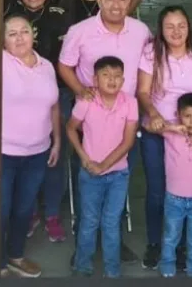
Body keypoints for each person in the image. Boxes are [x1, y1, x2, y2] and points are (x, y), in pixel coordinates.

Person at [0, 2, 60, 277]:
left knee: (24, 208)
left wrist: (57, 140)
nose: (20, 37)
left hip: (37, 151)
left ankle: (15, 255)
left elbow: (54, 105)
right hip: (3, 151)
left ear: (33, 34)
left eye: (24, 31)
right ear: (3, 39)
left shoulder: (46, 66)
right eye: (12, 33)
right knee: (0, 208)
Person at [137, 6, 192, 269]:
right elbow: (144, 92)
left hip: (191, 130)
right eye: (169, 26)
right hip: (159, 130)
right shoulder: (152, 53)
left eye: (181, 25)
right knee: (158, 191)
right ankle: (156, 244)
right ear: (161, 29)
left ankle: (182, 245)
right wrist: (153, 113)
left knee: (187, 189)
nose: (176, 31)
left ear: (189, 26)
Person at [67, 56, 137, 278]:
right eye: (106, 75)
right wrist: (86, 160)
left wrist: (104, 165)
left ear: (123, 80)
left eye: (117, 76)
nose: (112, 80)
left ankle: (112, 271)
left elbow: (128, 142)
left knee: (111, 222)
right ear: (95, 79)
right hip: (90, 174)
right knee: (89, 221)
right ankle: (82, 268)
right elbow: (70, 129)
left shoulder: (130, 102)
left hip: (118, 174)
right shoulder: (86, 101)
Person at [157, 93, 192, 277]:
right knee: (170, 236)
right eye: (187, 116)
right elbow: (149, 125)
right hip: (174, 197)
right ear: (178, 115)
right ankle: (168, 268)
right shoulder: (171, 135)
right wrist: (174, 127)